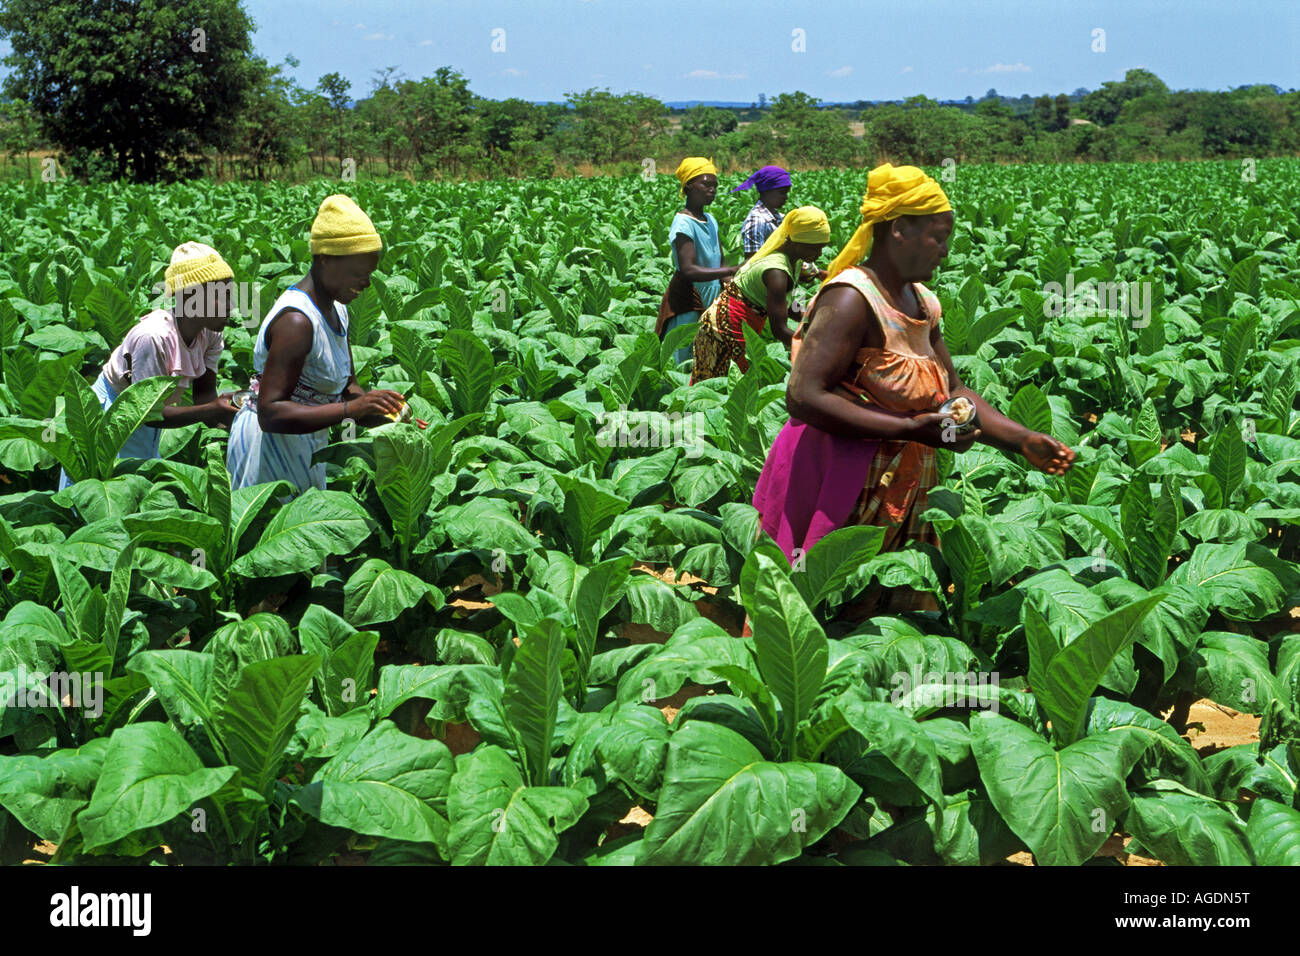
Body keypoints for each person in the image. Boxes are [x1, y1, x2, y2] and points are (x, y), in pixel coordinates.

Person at [752, 164, 1075, 615]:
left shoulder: (923, 302)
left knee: (892, 616)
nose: (945, 251)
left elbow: (953, 389)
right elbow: (803, 396)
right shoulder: (851, 298)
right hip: (840, 485)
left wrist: (1021, 440)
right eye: (937, 238)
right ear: (899, 229)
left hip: (904, 489)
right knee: (819, 607)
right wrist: (910, 428)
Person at [227, 194, 405, 494]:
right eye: (358, 273)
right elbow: (271, 413)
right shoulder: (297, 322)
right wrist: (351, 409)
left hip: (307, 445)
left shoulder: (339, 310)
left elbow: (348, 388)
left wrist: (386, 413)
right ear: (325, 259)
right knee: (272, 521)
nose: (366, 283)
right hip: (267, 451)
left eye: (369, 274)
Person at [57, 242, 238, 490]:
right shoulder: (154, 337)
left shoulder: (211, 334)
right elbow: (149, 414)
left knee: (140, 486)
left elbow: (204, 396)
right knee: (98, 487)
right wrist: (212, 410)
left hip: (152, 416)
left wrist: (234, 424)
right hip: (112, 413)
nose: (231, 305)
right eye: (222, 296)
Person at [689, 206, 830, 384]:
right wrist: (816, 348)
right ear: (797, 243)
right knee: (725, 382)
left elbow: (791, 303)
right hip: (726, 327)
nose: (819, 254)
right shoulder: (777, 273)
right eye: (814, 249)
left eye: (821, 248)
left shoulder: (795, 261)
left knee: (738, 381)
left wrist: (810, 320)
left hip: (745, 321)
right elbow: (779, 329)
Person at [655, 157, 737, 364]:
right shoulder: (683, 223)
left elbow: (720, 264)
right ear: (689, 187)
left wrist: (734, 287)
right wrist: (732, 270)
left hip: (712, 297)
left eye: (715, 185)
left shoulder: (711, 220)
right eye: (706, 184)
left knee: (708, 357)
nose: (712, 190)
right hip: (689, 300)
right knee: (685, 359)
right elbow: (689, 269)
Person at [734, 165, 792, 259]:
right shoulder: (756, 221)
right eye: (782, 192)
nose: (786, 197)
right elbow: (753, 261)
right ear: (766, 191)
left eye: (787, 192)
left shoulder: (776, 216)